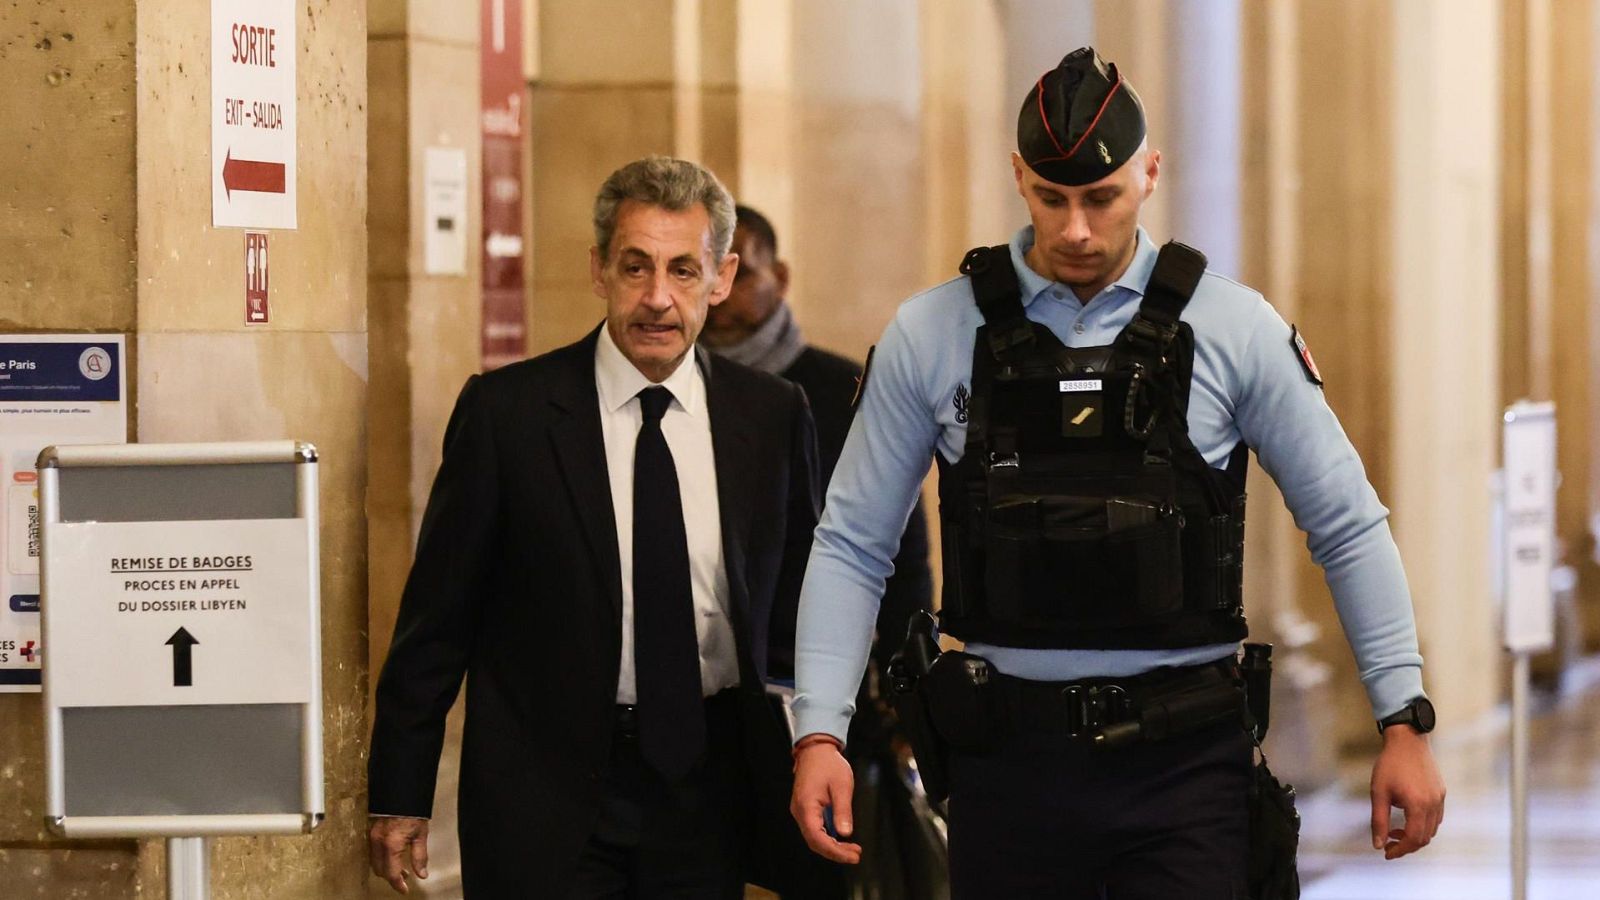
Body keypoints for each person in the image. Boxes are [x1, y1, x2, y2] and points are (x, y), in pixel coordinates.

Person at [788, 47, 1447, 898]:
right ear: (1017, 176)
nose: (1075, 231)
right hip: (1006, 768)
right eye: (1050, 197)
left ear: (1151, 173)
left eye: (1101, 198)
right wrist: (819, 733)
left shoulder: (1234, 329)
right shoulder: (933, 334)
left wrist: (1403, 716)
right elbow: (852, 544)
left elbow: (1347, 523)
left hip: (1183, 773)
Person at [367, 155, 821, 898]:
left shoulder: (770, 415)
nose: (657, 299)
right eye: (635, 267)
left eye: (682, 271)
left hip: (709, 792)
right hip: (545, 794)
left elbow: (801, 604)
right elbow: (437, 620)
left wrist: (817, 743)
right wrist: (400, 790)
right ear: (598, 269)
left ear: (722, 277)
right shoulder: (507, 416)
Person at [701, 205, 937, 896]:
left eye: (743, 270)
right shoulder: (673, 394)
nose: (726, 292)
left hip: (816, 694)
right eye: (712, 271)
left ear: (782, 276)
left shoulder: (838, 391)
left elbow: (901, 553)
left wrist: (908, 694)